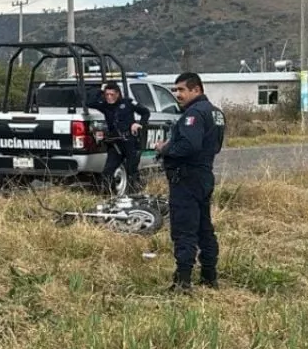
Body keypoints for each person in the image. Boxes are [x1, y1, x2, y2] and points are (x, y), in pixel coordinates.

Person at [155, 72, 226, 292]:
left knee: (184, 229)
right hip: (204, 175)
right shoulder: (216, 113)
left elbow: (189, 146)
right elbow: (215, 145)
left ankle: (183, 281)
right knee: (204, 227)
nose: (178, 95)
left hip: (186, 178)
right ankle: (209, 275)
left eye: (182, 90)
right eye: (176, 90)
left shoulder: (194, 114)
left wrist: (165, 149)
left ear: (197, 89)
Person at [88, 81, 151, 195]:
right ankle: (109, 197)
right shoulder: (105, 105)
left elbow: (145, 112)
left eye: (112, 94)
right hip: (115, 144)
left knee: (132, 171)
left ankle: (135, 196)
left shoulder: (128, 103)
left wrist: (139, 124)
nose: (109, 97)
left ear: (118, 94)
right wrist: (100, 90)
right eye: (107, 95)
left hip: (130, 141)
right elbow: (90, 102)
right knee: (108, 172)